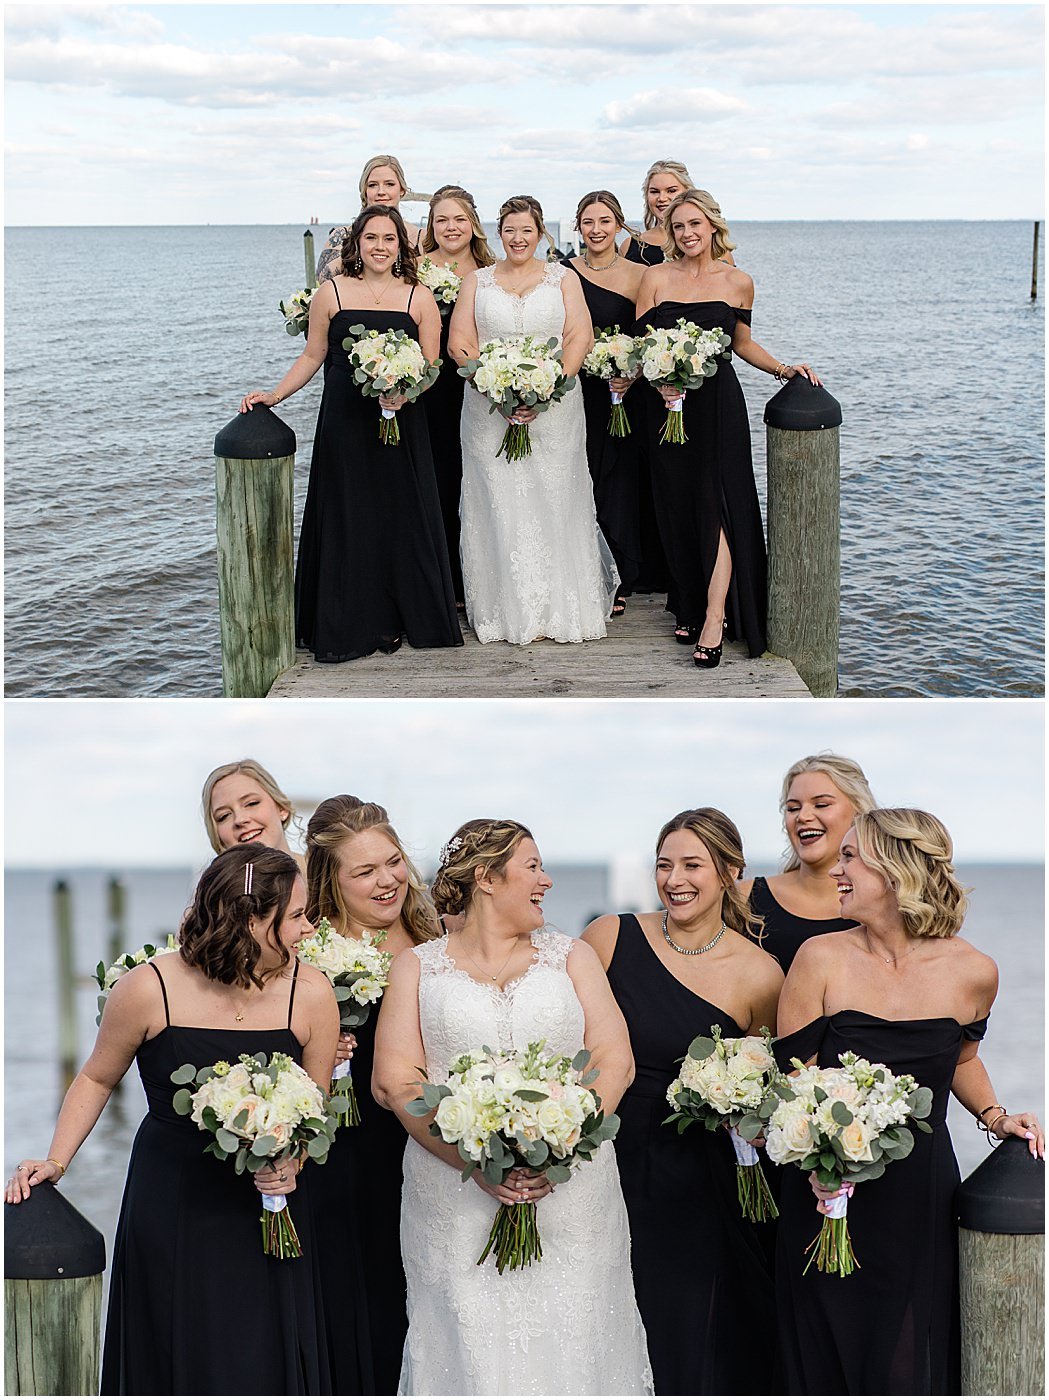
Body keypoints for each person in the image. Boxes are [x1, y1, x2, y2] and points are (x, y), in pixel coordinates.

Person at [5, 845, 341, 1395]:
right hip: (173, 1197)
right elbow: (95, 1078)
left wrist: (292, 1163)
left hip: (269, 1201)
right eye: (298, 916)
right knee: (171, 1341)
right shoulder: (147, 987)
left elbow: (317, 1105)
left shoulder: (312, 992)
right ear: (252, 919)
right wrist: (57, 1160)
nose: (309, 928)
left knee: (262, 1353)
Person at [373, 819, 653, 1395]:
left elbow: (614, 1059)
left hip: (573, 1192)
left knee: (577, 1344)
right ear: (485, 878)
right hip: (452, 1197)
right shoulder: (418, 968)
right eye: (532, 867)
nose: (546, 881)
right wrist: (473, 1161)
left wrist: (558, 1148)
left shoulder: (572, 958)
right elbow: (396, 1082)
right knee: (466, 1343)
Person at [775, 808, 1045, 1396]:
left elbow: (962, 1060)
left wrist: (998, 1118)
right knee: (827, 1350)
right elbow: (793, 1083)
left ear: (896, 871)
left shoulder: (974, 971)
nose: (836, 872)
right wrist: (818, 1169)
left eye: (851, 858)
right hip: (826, 1195)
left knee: (907, 1357)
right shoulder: (819, 959)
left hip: (919, 1196)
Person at [583, 808, 783, 1396]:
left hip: (696, 1175)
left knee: (680, 1320)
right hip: (603, 1153)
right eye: (664, 865)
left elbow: (764, 1085)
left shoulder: (761, 976)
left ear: (729, 872)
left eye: (692, 865)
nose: (675, 879)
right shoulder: (610, 936)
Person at [240, 205, 463, 663]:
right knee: (350, 514)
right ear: (357, 244)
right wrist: (276, 396)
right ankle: (353, 620)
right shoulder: (332, 292)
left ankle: (404, 614)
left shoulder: (418, 297)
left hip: (402, 420)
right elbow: (313, 354)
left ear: (401, 244)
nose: (380, 246)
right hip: (345, 423)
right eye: (371, 238)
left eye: (389, 238)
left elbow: (432, 365)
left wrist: (406, 392)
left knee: (401, 514)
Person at [636, 188, 820, 667]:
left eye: (695, 224)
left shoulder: (738, 281)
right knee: (676, 504)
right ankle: (689, 602)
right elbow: (642, 347)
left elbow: (741, 343)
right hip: (666, 405)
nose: (687, 233)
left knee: (718, 504)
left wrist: (784, 370)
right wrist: (660, 384)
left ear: (713, 226)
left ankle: (715, 615)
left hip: (718, 405)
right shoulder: (654, 278)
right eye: (678, 226)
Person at [305, 795, 442, 1395]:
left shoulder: (437, 930)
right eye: (364, 872)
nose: (387, 880)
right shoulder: (307, 948)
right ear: (330, 881)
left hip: (429, 1133)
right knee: (351, 1285)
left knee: (420, 1286)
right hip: (344, 1144)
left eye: (392, 862)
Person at [449, 194, 619, 645]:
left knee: (557, 496)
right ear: (498, 233)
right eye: (509, 230)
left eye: (527, 230)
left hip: (556, 410)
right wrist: (495, 391)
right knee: (497, 499)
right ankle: (503, 611)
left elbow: (578, 334)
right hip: (488, 410)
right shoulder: (476, 281)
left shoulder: (563, 278)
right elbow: (460, 342)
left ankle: (562, 609)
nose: (518, 238)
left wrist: (548, 388)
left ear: (541, 233)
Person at [565, 191, 647, 614]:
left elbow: (652, 332)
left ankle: (620, 575)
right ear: (577, 226)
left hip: (625, 392)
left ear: (619, 225)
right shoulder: (563, 272)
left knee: (619, 481)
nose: (596, 230)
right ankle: (584, 570)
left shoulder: (640, 274)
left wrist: (630, 373)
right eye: (588, 222)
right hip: (576, 392)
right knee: (581, 476)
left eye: (605, 221)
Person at [418, 186, 496, 609]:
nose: (450, 228)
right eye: (441, 220)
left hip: (478, 387)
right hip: (429, 390)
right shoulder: (412, 270)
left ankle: (476, 577)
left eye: (459, 219)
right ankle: (440, 578)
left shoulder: (491, 270)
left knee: (477, 479)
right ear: (431, 226)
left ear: (473, 224)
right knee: (437, 479)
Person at [740, 753, 877, 972]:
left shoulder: (884, 905)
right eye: (793, 808)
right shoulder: (744, 899)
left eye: (821, 805)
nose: (803, 816)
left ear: (858, 813)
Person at [317, 155, 422, 280]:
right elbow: (323, 282)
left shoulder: (421, 238)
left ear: (402, 189)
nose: (381, 191)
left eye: (389, 184)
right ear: (364, 191)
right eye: (373, 185)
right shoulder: (342, 235)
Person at [624, 160, 736, 269]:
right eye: (654, 192)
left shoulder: (716, 250)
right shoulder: (629, 246)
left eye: (671, 191)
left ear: (687, 193)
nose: (662, 198)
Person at [202, 757, 306, 874]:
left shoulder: (326, 874)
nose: (239, 820)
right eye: (224, 816)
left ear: (282, 808)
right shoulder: (212, 891)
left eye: (252, 803)